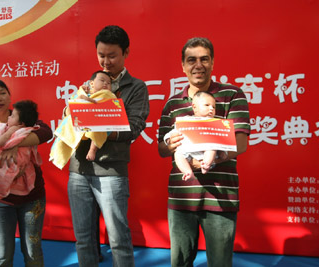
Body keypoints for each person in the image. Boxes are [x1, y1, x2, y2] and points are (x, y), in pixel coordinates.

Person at [158, 37, 250, 267]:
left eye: (204, 59)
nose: (198, 65)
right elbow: (161, 148)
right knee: (180, 262)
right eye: (192, 60)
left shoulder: (232, 95)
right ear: (183, 66)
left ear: (212, 62)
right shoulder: (172, 104)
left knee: (220, 263)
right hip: (181, 197)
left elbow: (241, 144)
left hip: (220, 195)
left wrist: (210, 159)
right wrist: (172, 145)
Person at [67, 25, 149, 267]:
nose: (105, 61)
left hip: (111, 172)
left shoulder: (136, 88)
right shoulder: (89, 84)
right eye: (101, 55)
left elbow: (134, 127)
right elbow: (70, 118)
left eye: (112, 55)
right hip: (78, 169)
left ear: (126, 53)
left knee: (118, 239)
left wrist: (101, 126)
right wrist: (77, 108)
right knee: (83, 239)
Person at [0, 79, 52, 266]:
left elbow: (46, 132)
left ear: (9, 95)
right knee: (2, 256)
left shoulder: (23, 117)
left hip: (32, 197)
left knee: (33, 251)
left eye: (2, 93)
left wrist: (15, 142)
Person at [50, 70, 114, 169]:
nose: (106, 83)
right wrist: (81, 100)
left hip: (99, 125)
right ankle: (57, 152)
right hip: (81, 126)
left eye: (109, 83)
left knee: (99, 129)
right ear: (91, 83)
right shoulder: (84, 94)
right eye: (102, 80)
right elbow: (70, 110)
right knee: (67, 126)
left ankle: (93, 149)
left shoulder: (108, 95)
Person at [0, 100, 42, 204]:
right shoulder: (29, 129)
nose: (9, 117)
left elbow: (4, 140)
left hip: (16, 160)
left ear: (21, 123)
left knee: (3, 174)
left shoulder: (14, 129)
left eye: (12, 116)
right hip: (24, 160)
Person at [164, 91, 227, 181]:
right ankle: (187, 172)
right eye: (207, 105)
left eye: (213, 107)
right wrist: (169, 140)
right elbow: (172, 133)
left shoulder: (215, 123)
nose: (211, 109)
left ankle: (206, 164)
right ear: (195, 107)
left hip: (206, 151)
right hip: (189, 150)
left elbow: (221, 140)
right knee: (178, 154)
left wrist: (222, 151)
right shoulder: (186, 120)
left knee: (212, 147)